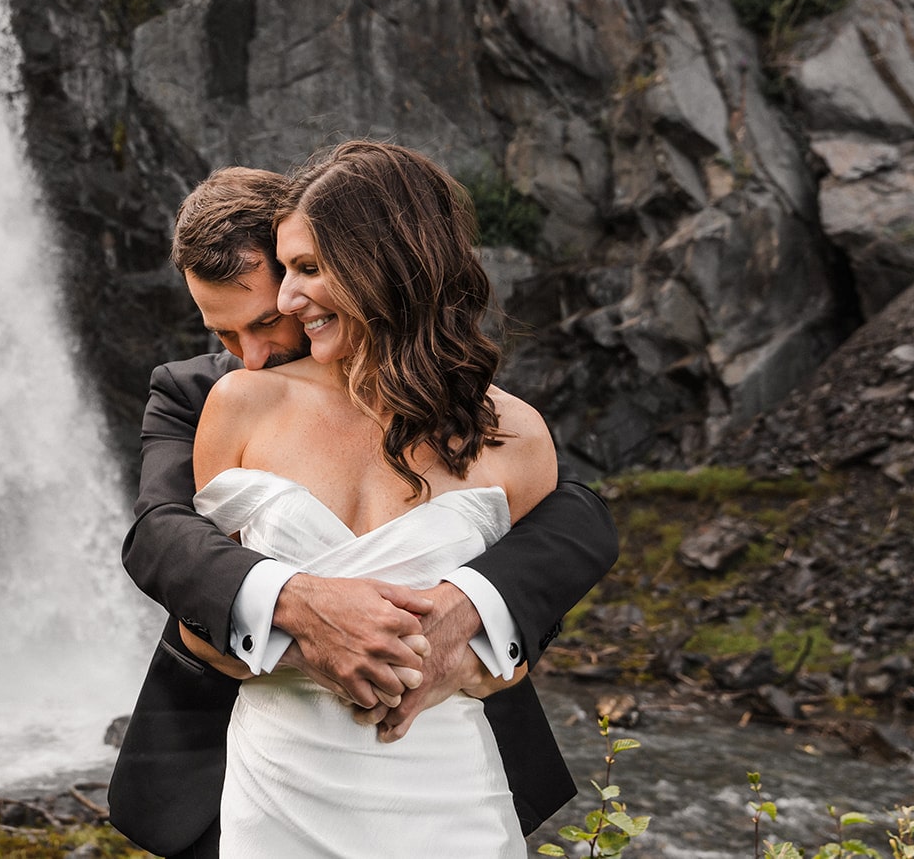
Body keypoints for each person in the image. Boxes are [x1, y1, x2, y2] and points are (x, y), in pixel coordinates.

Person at [108, 156, 618, 857]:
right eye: (221, 334)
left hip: (445, 780)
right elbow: (161, 537)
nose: (249, 353)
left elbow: (568, 529)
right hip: (264, 776)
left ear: (366, 262)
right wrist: (294, 602)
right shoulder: (215, 398)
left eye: (289, 284)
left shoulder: (490, 416)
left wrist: (472, 623)